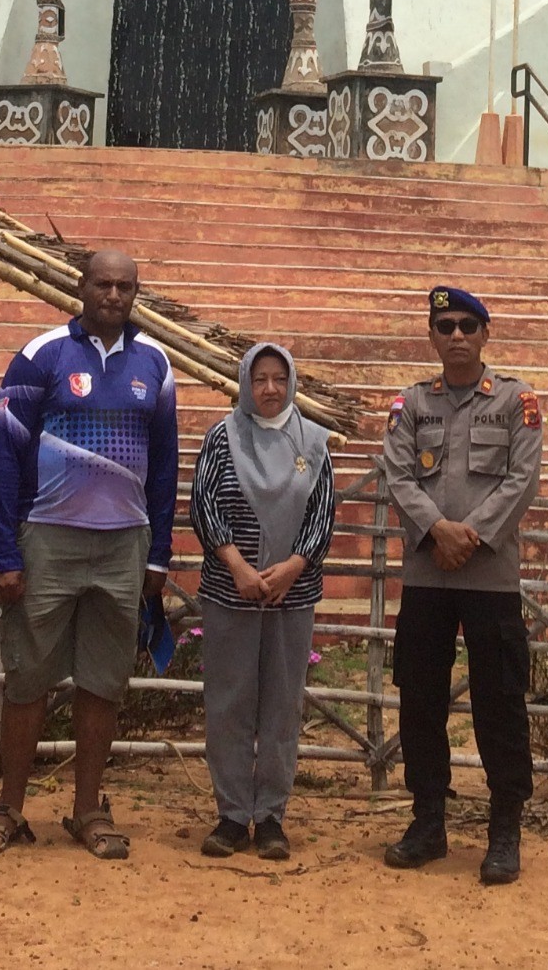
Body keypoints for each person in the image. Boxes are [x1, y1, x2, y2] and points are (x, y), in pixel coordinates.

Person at [0, 248, 178, 862]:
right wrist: (3, 553)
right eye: (102, 283)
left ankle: (88, 809)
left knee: (103, 682)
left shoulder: (155, 365)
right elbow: (3, 457)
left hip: (124, 545)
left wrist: (158, 555)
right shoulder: (41, 356)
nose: (113, 294)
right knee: (28, 678)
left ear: (136, 293)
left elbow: (164, 466)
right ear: (80, 286)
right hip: (48, 540)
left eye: (124, 285)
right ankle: (9, 806)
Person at [380, 285, 543, 886]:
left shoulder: (516, 400)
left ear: (484, 334)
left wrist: (467, 536)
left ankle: (504, 830)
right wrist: (436, 532)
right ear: (431, 336)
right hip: (428, 574)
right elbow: (396, 472)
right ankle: (428, 822)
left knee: (500, 701)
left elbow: (523, 479)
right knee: (419, 697)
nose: (456, 336)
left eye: (467, 326)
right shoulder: (411, 404)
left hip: (489, 577)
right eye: (444, 326)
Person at [189, 342, 337, 860]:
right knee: (228, 705)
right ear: (245, 383)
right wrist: (239, 567)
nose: (270, 389)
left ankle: (271, 816)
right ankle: (231, 815)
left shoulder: (315, 444)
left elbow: (322, 514)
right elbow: (204, 504)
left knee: (280, 706)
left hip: (291, 599)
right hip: (231, 593)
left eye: (279, 378)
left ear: (292, 381)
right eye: (260, 379)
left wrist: (294, 566)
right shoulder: (220, 438)